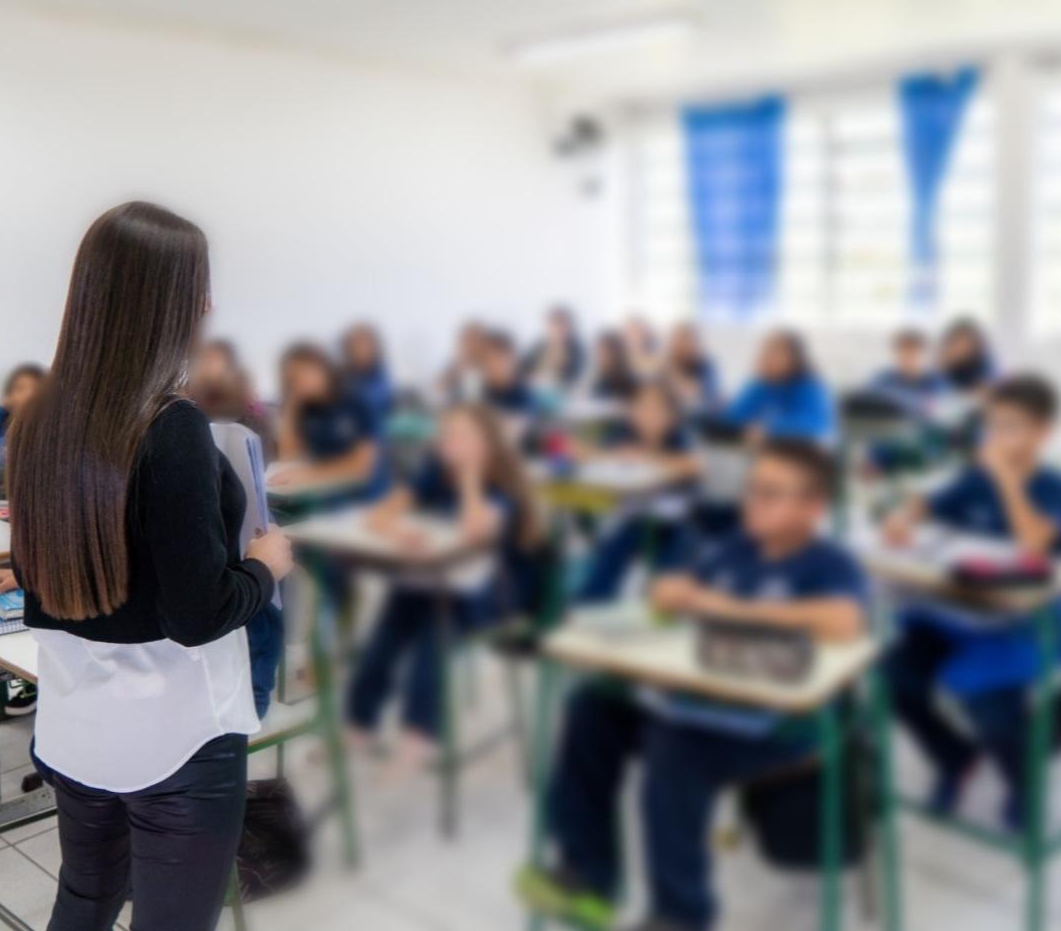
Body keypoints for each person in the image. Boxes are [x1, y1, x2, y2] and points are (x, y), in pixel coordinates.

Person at [8, 201, 294, 930]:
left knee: (84, 899)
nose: (210, 305)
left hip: (73, 723)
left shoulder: (38, 419)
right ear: (166, 305)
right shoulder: (172, 429)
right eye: (197, 288)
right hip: (177, 736)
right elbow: (197, 615)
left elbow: (61, 558)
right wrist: (265, 565)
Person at [518, 440, 867, 931]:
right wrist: (670, 589)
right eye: (752, 490)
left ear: (813, 509)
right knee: (591, 708)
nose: (753, 502)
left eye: (772, 493)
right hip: (698, 700)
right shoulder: (735, 548)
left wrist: (728, 609)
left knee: (675, 750)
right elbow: (678, 585)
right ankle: (589, 873)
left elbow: (844, 622)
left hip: (778, 726)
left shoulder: (828, 561)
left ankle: (681, 915)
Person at [880, 374, 1061, 832]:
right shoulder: (974, 478)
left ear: (1043, 433)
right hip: (960, 611)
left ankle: (1023, 785)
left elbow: (1034, 547)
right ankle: (953, 757)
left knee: (987, 701)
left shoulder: (1058, 488)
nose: (997, 438)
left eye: (1011, 426)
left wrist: (1010, 482)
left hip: (1032, 621)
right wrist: (902, 519)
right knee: (892, 676)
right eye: (992, 426)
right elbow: (926, 504)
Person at [345, 403, 545, 770]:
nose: (449, 442)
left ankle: (419, 733)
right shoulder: (436, 473)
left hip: (495, 592)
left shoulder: (503, 487)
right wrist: (400, 531)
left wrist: (470, 475)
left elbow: (474, 532)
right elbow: (380, 513)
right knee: (390, 624)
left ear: (487, 443)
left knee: (432, 633)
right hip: (441, 578)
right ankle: (360, 721)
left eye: (461, 436)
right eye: (447, 435)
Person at [571, 381, 702, 604]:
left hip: (677, 523)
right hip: (637, 518)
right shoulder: (625, 433)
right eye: (640, 407)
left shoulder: (680, 437)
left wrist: (647, 458)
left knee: (671, 568)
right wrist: (614, 456)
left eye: (655, 410)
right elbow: (590, 453)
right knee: (612, 551)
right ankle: (587, 606)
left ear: (672, 416)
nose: (646, 415)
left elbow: (694, 465)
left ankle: (660, 608)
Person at [269, 341, 384, 497]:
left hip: (366, 496)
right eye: (293, 379)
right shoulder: (307, 407)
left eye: (305, 371)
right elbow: (288, 456)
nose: (300, 381)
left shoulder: (357, 398)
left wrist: (308, 474)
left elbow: (363, 467)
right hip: (326, 493)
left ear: (323, 367)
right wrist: (292, 405)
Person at [725, 329, 833, 442]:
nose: (768, 358)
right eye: (766, 353)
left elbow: (816, 424)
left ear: (794, 358)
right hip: (764, 449)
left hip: (804, 451)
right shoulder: (759, 385)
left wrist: (770, 429)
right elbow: (733, 418)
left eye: (775, 353)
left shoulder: (810, 386)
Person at [187, 339, 275, 453]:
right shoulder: (193, 396)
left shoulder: (245, 402)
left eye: (212, 359)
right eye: (205, 359)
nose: (206, 365)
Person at [870, 328, 946, 414]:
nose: (907, 358)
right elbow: (867, 401)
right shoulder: (883, 379)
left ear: (922, 354)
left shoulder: (935, 381)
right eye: (903, 353)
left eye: (912, 353)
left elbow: (937, 408)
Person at [524, 305, 587, 393]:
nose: (558, 330)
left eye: (562, 325)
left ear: (569, 327)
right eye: (554, 325)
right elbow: (523, 370)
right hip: (535, 392)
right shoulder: (539, 346)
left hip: (564, 394)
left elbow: (576, 377)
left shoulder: (577, 349)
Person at [340, 321, 394, 421]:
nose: (361, 350)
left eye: (365, 345)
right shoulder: (341, 380)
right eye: (356, 345)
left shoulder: (383, 379)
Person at [664, 322, 720, 417]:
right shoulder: (666, 363)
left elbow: (707, 396)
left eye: (689, 340)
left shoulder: (705, 365)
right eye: (680, 340)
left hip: (699, 416)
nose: (684, 345)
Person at [477, 330, 537, 417]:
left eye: (500, 358)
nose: (494, 365)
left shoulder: (526, 394)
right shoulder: (479, 393)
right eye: (488, 360)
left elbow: (524, 421)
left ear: (513, 360)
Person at [937, 317, 996, 396]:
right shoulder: (942, 366)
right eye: (957, 344)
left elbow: (988, 388)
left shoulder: (984, 364)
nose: (960, 348)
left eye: (965, 343)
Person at [438, 319, 489, 404]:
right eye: (467, 340)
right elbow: (438, 390)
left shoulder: (490, 368)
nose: (471, 346)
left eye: (475, 340)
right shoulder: (453, 368)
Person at [589, 331, 639, 402]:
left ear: (615, 353)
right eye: (598, 352)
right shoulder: (601, 377)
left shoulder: (626, 381)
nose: (599, 357)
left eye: (604, 352)